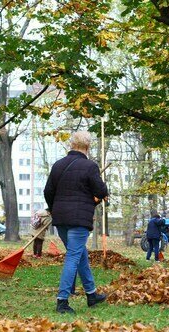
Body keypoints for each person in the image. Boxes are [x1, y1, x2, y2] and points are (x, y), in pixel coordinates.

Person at [44, 131, 108, 314]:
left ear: (71, 145)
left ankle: (91, 294)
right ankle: (62, 301)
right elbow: (100, 190)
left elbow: (48, 191)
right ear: (87, 147)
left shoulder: (58, 165)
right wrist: (102, 192)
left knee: (80, 255)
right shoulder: (90, 166)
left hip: (61, 219)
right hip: (79, 219)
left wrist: (53, 208)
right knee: (73, 256)